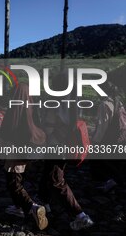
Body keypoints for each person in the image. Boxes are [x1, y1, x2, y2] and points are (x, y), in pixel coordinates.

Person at [38, 73, 94, 231]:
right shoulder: (76, 100)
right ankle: (43, 203)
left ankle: (80, 215)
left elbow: (49, 126)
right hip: (68, 145)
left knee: (56, 180)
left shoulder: (56, 102)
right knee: (48, 173)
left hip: (55, 145)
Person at [0, 83, 48, 230]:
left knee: (13, 184)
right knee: (20, 180)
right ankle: (18, 207)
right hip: (30, 152)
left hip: (15, 153)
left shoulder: (14, 110)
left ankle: (32, 207)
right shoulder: (33, 108)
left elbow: (3, 133)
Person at [90, 81, 126, 192]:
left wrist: (95, 142)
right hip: (118, 137)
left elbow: (102, 126)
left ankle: (112, 181)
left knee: (101, 161)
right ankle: (113, 181)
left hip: (107, 138)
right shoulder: (118, 101)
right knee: (112, 161)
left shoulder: (105, 105)